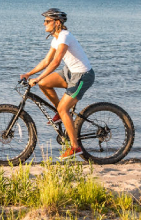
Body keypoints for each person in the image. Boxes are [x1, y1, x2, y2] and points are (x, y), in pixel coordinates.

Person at [21, 8, 96, 160]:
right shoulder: (56, 39)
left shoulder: (64, 36)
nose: (44, 24)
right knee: (44, 83)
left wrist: (36, 78)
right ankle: (61, 114)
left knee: (63, 108)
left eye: (47, 21)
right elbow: (46, 61)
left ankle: (75, 147)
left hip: (82, 76)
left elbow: (55, 62)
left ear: (57, 23)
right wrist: (30, 74)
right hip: (69, 72)